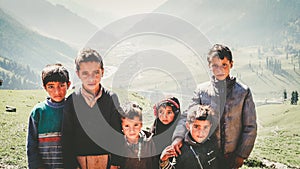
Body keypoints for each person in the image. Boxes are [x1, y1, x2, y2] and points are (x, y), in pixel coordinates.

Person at [172, 44, 257, 169]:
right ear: (209, 66)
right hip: (207, 154)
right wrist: (178, 137)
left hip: (232, 156)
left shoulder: (243, 92)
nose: (220, 70)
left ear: (231, 64)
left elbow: (250, 127)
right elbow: (187, 116)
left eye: (224, 65)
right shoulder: (202, 91)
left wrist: (241, 155)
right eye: (215, 66)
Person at [62, 48, 123, 169]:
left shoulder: (111, 98)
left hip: (106, 161)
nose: (91, 78)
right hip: (79, 162)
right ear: (78, 73)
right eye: (85, 73)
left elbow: (117, 134)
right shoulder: (71, 102)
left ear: (102, 72)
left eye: (96, 72)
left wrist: (116, 163)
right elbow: (66, 137)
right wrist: (72, 166)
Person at [27, 63, 71, 169]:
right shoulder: (38, 112)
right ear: (45, 87)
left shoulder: (73, 110)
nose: (57, 91)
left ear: (68, 85)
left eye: (61, 85)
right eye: (51, 86)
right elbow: (31, 145)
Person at [160, 105, 220, 169]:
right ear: (188, 126)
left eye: (205, 127)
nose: (201, 132)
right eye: (196, 127)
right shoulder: (180, 149)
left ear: (210, 126)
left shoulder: (212, 142)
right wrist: (164, 162)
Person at [110, 102, 157, 169]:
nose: (132, 130)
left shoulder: (148, 142)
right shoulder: (120, 143)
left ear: (141, 125)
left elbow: (154, 164)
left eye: (136, 125)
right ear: (122, 127)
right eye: (127, 126)